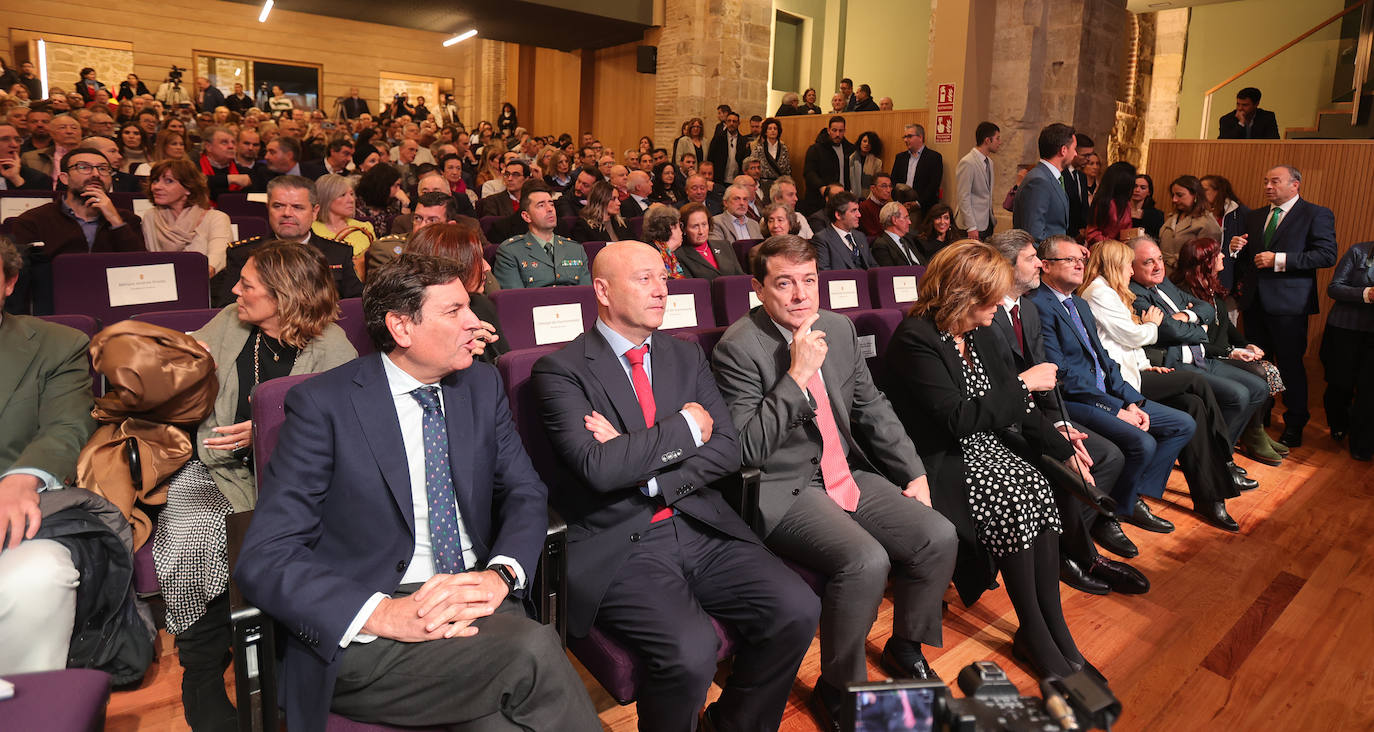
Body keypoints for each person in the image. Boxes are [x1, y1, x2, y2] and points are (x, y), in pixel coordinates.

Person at [234, 252, 599, 732]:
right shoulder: (324, 405)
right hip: (369, 629)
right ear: (401, 328)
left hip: (473, 599)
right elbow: (266, 556)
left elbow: (525, 492)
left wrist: (501, 574)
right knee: (533, 652)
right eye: (454, 312)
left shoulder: (480, 385)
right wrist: (384, 614)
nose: (475, 322)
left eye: (470, 307)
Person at [533, 241, 819, 732]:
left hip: (701, 522)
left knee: (797, 608)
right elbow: (598, 469)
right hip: (621, 540)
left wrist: (640, 466)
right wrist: (686, 428)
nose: (662, 290)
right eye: (644, 279)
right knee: (690, 652)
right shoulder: (561, 370)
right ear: (602, 290)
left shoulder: (685, 356)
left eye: (663, 278)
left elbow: (727, 448)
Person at [711, 235, 957, 729]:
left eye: (809, 281)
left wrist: (913, 471)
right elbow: (747, 450)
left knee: (937, 534)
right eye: (785, 284)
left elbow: (872, 408)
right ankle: (839, 686)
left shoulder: (840, 329)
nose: (801, 295)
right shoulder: (738, 348)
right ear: (759, 290)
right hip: (786, 486)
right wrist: (797, 376)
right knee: (866, 561)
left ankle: (905, 645)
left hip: (844, 469)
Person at [157, 241, 355, 729]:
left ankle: (280, 663)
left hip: (295, 477)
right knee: (192, 530)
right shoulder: (230, 322)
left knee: (275, 538)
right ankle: (200, 674)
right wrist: (184, 357)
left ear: (285, 296)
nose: (235, 291)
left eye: (248, 285)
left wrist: (269, 430)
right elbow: (185, 360)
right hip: (212, 464)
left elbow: (346, 436)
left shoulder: (334, 351)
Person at [887, 240, 1099, 679]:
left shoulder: (980, 330)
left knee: (1040, 485)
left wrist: (1064, 449)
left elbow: (1015, 410)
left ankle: (1050, 627)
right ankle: (1037, 634)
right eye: (990, 298)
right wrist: (1024, 384)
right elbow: (954, 420)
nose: (998, 306)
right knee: (1014, 494)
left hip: (988, 445)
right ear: (963, 296)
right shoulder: (916, 338)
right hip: (944, 456)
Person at [983, 230, 1144, 593]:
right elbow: (1004, 390)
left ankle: (1070, 542)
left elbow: (1047, 377)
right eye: (1030, 258)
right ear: (1006, 267)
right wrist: (1052, 434)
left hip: (1037, 415)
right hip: (1004, 423)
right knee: (1065, 462)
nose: (1039, 262)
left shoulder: (1026, 309)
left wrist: (1059, 422)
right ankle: (1075, 556)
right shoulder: (987, 315)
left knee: (1107, 456)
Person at [1031, 235, 1195, 538]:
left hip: (1106, 392)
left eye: (1081, 259)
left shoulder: (1078, 302)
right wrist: (1116, 408)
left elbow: (1104, 359)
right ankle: (1112, 514)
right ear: (1046, 266)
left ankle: (1129, 500)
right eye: (1070, 260)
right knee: (1142, 442)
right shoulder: (1039, 305)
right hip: (1076, 399)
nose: (1079, 264)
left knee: (1182, 423)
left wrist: (1131, 400)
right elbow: (1061, 374)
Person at [1080, 240, 1248, 532]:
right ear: (1116, 266)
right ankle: (1222, 464)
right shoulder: (1101, 292)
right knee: (1195, 383)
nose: (1131, 273)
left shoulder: (1132, 288)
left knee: (1193, 405)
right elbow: (1136, 335)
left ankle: (1209, 496)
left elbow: (1205, 312)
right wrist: (1156, 326)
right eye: (1132, 265)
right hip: (1120, 381)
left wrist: (1150, 354)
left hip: (1138, 370)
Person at [0, 235, 99, 674]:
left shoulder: (57, 344)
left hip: (13, 502)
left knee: (43, 574)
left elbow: (66, 424)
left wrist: (22, 479)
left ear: (9, 283)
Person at [1128, 236, 1267, 456]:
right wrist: (1197, 326)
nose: (1157, 266)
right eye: (1148, 262)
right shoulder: (1135, 294)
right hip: (1177, 363)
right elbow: (1170, 330)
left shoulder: (1163, 282)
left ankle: (1220, 453)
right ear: (1130, 267)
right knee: (1238, 394)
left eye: (1160, 259)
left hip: (1201, 357)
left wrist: (1185, 315)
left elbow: (1206, 310)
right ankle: (1218, 460)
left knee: (1260, 387)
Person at [1231, 165, 1337, 447]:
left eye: (1275, 181)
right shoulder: (1254, 216)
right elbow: (1247, 261)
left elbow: (1327, 255)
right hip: (1255, 303)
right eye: (1265, 181)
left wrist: (1280, 260)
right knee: (1256, 364)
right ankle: (1257, 420)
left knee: (1290, 365)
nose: (1268, 186)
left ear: (1295, 185)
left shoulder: (1315, 214)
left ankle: (1295, 422)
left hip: (1290, 305)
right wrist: (1235, 249)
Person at [1174, 237, 1288, 466]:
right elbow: (1196, 342)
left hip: (1223, 351)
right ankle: (1250, 435)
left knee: (1267, 370)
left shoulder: (1211, 286)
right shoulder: (1184, 294)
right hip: (1208, 356)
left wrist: (1246, 344)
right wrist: (1232, 350)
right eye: (1218, 254)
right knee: (1261, 371)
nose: (1224, 256)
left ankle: (1254, 430)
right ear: (1205, 261)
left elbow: (1227, 326)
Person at [6, 147, 145, 315]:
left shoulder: (127, 220)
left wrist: (114, 219)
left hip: (117, 304)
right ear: (64, 178)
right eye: (84, 167)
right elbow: (20, 280)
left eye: (103, 169)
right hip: (55, 308)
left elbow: (140, 268)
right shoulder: (33, 220)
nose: (95, 174)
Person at [213, 175, 363, 307]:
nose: (287, 213)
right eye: (278, 206)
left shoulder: (338, 252)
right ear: (268, 208)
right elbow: (228, 308)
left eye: (297, 207)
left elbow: (355, 304)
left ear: (315, 212)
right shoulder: (243, 253)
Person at [401, 222, 507, 363]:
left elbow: (505, 367)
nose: (487, 267)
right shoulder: (408, 318)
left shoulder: (481, 305)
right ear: (452, 264)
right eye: (477, 260)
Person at [1321, 240, 1374, 460]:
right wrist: (1367, 293)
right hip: (1346, 329)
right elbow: (1334, 287)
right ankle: (1339, 424)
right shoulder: (1358, 251)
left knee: (1369, 390)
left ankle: (1361, 446)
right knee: (1340, 384)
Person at [142, 158, 232, 276]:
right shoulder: (150, 216)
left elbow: (217, 258)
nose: (157, 187)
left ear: (188, 188)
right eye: (155, 180)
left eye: (168, 181)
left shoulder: (216, 218)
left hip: (204, 285)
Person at [492, 182, 590, 288]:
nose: (550, 209)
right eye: (541, 205)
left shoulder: (575, 249)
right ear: (526, 216)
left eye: (551, 204)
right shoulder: (511, 251)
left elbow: (586, 295)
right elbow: (515, 299)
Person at [1012, 123, 1075, 241]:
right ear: (1063, 150)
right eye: (1074, 149)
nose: (1075, 153)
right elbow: (1034, 234)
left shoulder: (1048, 176)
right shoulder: (1038, 181)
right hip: (1043, 257)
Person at [311, 173, 375, 279]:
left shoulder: (365, 228)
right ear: (326, 198)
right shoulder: (311, 229)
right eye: (343, 195)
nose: (351, 200)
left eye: (351, 194)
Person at [1158, 175, 1222, 273]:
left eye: (1179, 195)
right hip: (1164, 274)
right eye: (1173, 195)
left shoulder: (1207, 223)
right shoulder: (1172, 217)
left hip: (1186, 278)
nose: (1174, 200)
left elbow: (1205, 258)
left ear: (1195, 195)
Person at [1200, 174, 1250, 290]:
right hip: (1203, 270)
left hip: (1227, 271)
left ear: (1218, 191)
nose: (1200, 194)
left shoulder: (1239, 213)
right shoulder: (1201, 212)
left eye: (1205, 190)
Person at [954, 121, 1001, 240]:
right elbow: (963, 196)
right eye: (997, 139)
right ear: (987, 140)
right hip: (972, 225)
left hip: (986, 221)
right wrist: (971, 226)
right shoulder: (968, 162)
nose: (999, 143)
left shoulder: (989, 162)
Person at [677, 202, 744, 281]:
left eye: (704, 224)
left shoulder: (725, 245)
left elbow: (741, 277)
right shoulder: (679, 254)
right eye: (695, 226)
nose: (701, 231)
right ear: (684, 228)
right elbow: (691, 287)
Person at [813, 190, 877, 271]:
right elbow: (824, 274)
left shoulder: (860, 236)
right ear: (838, 215)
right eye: (853, 211)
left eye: (858, 210)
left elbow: (873, 267)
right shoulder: (822, 239)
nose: (859, 215)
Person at [803, 116, 854, 213]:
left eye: (841, 131)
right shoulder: (816, 149)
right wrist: (821, 187)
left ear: (844, 131)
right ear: (828, 130)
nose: (837, 134)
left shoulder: (850, 149)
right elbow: (809, 172)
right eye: (834, 130)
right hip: (820, 198)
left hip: (843, 198)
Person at [1083, 162, 1138, 246]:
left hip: (1120, 251)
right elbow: (1092, 234)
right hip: (1104, 251)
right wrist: (1114, 245)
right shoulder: (1104, 202)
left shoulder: (1125, 203)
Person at [891, 123, 942, 213]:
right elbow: (894, 181)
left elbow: (934, 185)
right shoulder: (900, 157)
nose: (906, 140)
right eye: (905, 137)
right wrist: (899, 202)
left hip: (924, 208)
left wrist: (918, 203)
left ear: (920, 137)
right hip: (901, 207)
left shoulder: (934, 157)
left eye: (909, 136)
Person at [353, 163, 408, 238]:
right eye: (396, 185)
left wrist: (405, 204)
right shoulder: (356, 204)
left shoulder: (394, 204)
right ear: (384, 186)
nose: (399, 190)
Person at [871, 201, 927, 266]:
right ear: (894, 220)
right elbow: (890, 273)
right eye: (906, 217)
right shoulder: (881, 245)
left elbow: (922, 263)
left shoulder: (908, 239)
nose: (909, 222)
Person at [0, 122, 51, 190]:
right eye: (5, 139)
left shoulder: (38, 179)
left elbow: (35, 200)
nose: (15, 145)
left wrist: (16, 179)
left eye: (17, 140)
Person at [1062, 134, 1094, 239]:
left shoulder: (1082, 176)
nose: (1088, 159)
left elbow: (1083, 206)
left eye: (1091, 155)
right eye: (1085, 155)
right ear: (1074, 152)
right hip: (1064, 233)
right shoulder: (1061, 174)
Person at [707, 110, 747, 182]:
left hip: (736, 180)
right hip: (719, 179)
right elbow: (710, 158)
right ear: (726, 122)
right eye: (729, 121)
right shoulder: (718, 138)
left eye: (734, 121)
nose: (731, 123)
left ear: (738, 123)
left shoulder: (743, 141)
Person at [848, 131, 884, 199]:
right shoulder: (851, 158)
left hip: (869, 197)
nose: (867, 144)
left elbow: (876, 182)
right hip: (850, 196)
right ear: (860, 142)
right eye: (864, 141)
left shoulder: (877, 162)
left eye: (870, 143)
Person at [1128, 173, 1164, 241]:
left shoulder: (1157, 215)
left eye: (1143, 188)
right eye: (1135, 186)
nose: (1137, 190)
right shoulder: (1120, 210)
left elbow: (1156, 239)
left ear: (1149, 192)